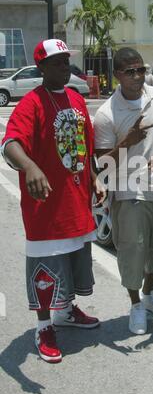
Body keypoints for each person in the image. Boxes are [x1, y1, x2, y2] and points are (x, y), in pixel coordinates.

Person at [1, 39, 105, 364]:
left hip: (76, 202)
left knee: (74, 261)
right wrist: (29, 165)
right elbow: (10, 143)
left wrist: (95, 178)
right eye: (57, 62)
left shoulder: (75, 99)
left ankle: (67, 310)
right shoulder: (31, 103)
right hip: (46, 208)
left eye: (66, 60)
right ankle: (44, 326)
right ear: (41, 67)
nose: (64, 66)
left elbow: (85, 147)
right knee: (46, 268)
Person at [94, 47, 153, 336]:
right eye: (130, 71)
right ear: (117, 75)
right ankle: (136, 304)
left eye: (141, 69)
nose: (138, 76)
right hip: (129, 193)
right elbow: (102, 164)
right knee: (131, 254)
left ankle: (150, 296)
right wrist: (127, 141)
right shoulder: (106, 114)